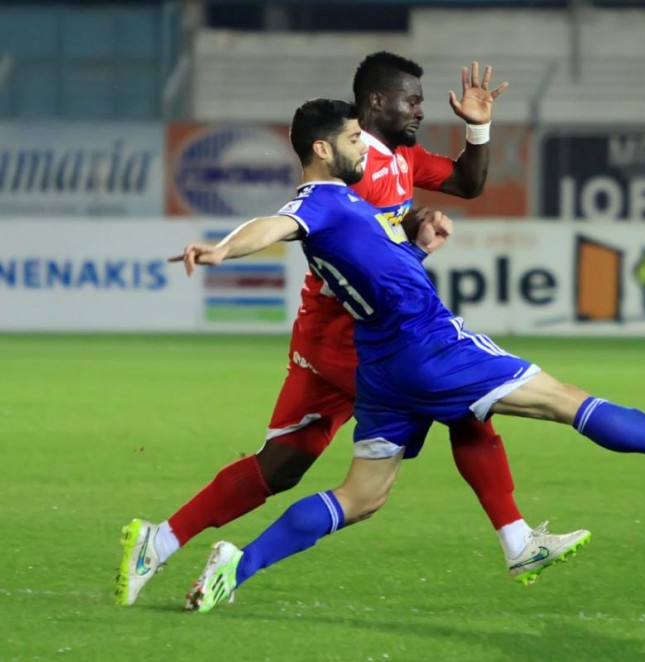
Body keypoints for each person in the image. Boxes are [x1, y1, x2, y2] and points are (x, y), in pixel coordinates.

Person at [172, 99, 645, 613]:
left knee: (361, 497)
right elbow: (274, 226)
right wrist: (223, 249)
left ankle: (236, 565)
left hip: (382, 364)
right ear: (324, 149)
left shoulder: (351, 204)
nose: (364, 146)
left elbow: (379, 266)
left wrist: (419, 249)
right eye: (354, 138)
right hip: (427, 342)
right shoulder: (320, 201)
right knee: (566, 402)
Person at [116, 53, 587, 607]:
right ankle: (516, 540)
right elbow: (298, 220)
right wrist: (223, 247)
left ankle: (160, 539)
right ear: (375, 105)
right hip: (350, 337)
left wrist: (471, 138)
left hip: (341, 337)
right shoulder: (348, 171)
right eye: (411, 100)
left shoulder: (403, 158)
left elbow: (465, 181)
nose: (419, 109)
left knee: (284, 464)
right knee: (462, 401)